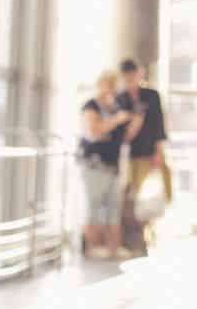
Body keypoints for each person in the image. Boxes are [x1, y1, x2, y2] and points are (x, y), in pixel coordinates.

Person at [79, 69, 135, 260]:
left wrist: (134, 120)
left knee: (113, 210)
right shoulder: (91, 106)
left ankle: (114, 248)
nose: (111, 89)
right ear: (100, 84)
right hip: (95, 166)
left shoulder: (115, 108)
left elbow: (125, 137)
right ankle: (91, 248)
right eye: (108, 84)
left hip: (113, 166)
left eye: (114, 85)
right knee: (93, 208)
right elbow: (95, 131)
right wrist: (116, 120)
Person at [117, 57, 169, 255]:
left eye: (134, 74)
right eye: (128, 76)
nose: (131, 79)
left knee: (152, 196)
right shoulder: (121, 98)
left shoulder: (152, 95)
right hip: (130, 156)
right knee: (133, 197)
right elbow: (123, 134)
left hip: (150, 154)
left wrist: (158, 153)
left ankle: (148, 235)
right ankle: (136, 238)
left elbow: (159, 126)